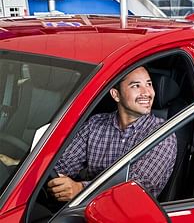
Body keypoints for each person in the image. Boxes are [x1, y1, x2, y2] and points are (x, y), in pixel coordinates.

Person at [48, 66, 176, 201]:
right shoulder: (95, 124)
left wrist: (80, 189)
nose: (147, 92)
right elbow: (63, 164)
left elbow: (136, 187)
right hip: (80, 209)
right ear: (116, 95)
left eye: (149, 84)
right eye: (136, 86)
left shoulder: (162, 134)